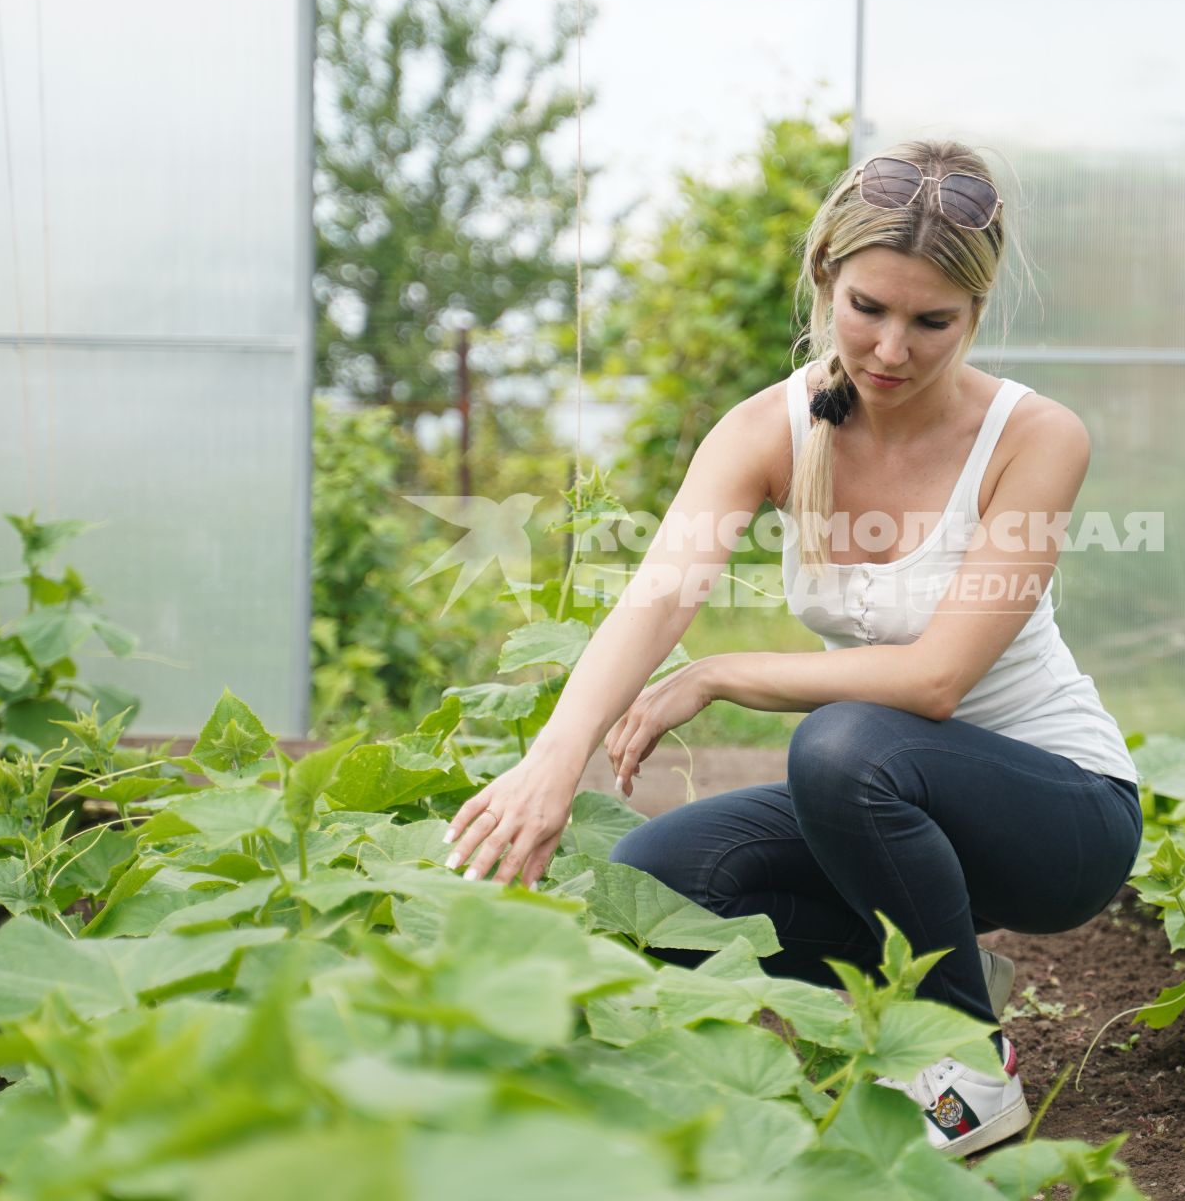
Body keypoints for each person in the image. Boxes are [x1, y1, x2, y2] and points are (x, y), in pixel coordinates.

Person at [441, 138, 1144, 1159]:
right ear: (825, 279)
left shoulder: (1036, 437)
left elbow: (935, 680)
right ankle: (937, 974)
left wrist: (724, 671)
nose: (892, 349)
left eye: (930, 321)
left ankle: (968, 1066)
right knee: (666, 877)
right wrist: (550, 763)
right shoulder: (769, 428)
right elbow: (656, 595)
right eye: (869, 308)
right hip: (899, 814)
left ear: (976, 313)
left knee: (843, 744)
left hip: (1060, 816)